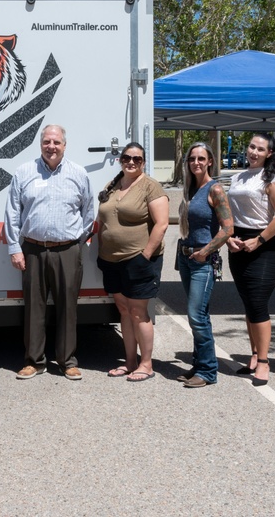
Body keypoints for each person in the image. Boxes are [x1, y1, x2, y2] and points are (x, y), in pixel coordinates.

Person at [4, 124, 94, 380]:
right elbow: (12, 213)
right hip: (32, 249)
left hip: (67, 249)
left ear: (64, 145)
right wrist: (15, 248)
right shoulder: (24, 172)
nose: (51, 147)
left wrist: (78, 242)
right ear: (40, 144)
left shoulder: (78, 173)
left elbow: (88, 211)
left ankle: (67, 361)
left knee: (68, 308)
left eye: (56, 142)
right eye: (47, 142)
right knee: (34, 308)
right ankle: (35, 361)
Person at [96, 142, 168, 382]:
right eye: (127, 157)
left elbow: (162, 224)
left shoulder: (151, 186)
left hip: (139, 260)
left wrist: (145, 255)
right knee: (124, 311)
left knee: (138, 313)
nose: (131, 162)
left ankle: (146, 364)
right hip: (111, 260)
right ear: (120, 160)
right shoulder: (113, 185)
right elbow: (102, 220)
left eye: (137, 159)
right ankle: (129, 362)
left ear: (143, 162)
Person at [226, 133, 275, 386]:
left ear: (269, 154)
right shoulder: (237, 177)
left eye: (260, 149)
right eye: (252, 147)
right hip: (238, 245)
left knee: (258, 303)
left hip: (264, 246)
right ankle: (254, 354)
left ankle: (264, 362)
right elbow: (230, 213)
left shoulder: (271, 179)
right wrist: (229, 238)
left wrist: (259, 240)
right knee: (247, 303)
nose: (254, 152)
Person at [176, 142, 234, 388]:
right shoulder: (189, 189)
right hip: (186, 258)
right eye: (192, 159)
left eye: (201, 158)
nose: (196, 163)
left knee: (196, 316)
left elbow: (228, 228)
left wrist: (206, 251)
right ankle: (200, 364)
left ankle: (209, 371)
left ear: (210, 161)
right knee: (198, 315)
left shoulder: (215, 189)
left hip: (203, 261)